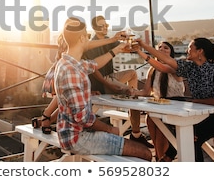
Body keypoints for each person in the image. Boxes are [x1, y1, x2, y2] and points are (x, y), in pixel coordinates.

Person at [53, 18, 152, 161]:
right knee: (145, 153)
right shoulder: (71, 71)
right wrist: (110, 130)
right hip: (78, 138)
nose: (88, 39)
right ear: (82, 38)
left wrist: (116, 49)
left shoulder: (68, 63)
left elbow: (93, 64)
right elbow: (83, 118)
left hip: (71, 132)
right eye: (86, 36)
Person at [136, 37, 214, 162]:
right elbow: (164, 63)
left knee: (190, 137)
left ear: (199, 51)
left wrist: (195, 101)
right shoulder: (191, 68)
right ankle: (168, 157)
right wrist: (142, 47)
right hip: (206, 118)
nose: (187, 50)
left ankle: (168, 158)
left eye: (190, 47)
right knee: (187, 134)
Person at [33, 19, 128, 134]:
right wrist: (113, 40)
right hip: (63, 71)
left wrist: (113, 40)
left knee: (68, 102)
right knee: (65, 95)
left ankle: (46, 119)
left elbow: (88, 53)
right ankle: (46, 115)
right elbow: (88, 46)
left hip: (68, 71)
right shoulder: (69, 41)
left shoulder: (71, 39)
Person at [83, 15, 153, 148]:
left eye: (106, 25)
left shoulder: (109, 40)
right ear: (94, 28)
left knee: (132, 74)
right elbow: (94, 70)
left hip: (111, 76)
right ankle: (136, 97)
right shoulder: (93, 43)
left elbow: (125, 48)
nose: (105, 27)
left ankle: (134, 100)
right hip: (102, 82)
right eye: (102, 25)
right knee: (131, 93)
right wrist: (108, 85)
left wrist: (132, 44)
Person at [131, 41, 185, 161]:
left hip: (175, 105)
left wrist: (140, 51)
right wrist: (133, 92)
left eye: (166, 48)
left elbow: (162, 67)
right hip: (159, 105)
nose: (162, 49)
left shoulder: (174, 66)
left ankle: (162, 158)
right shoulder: (152, 70)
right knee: (150, 119)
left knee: (159, 124)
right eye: (159, 47)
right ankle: (158, 156)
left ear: (171, 52)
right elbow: (145, 92)